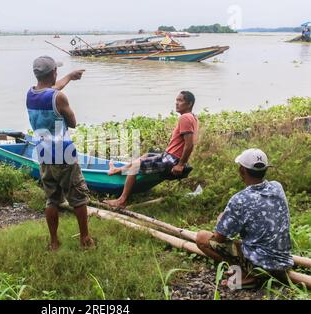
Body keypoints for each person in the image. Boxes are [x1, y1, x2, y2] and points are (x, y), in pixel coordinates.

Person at [196, 149, 294, 287]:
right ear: (265, 170)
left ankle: (247, 275)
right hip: (284, 263)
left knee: (202, 237)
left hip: (261, 266)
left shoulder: (239, 200)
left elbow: (219, 238)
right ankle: (248, 272)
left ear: (242, 170)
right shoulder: (277, 187)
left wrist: (220, 220)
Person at [26, 56, 94, 250]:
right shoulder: (59, 98)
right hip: (63, 154)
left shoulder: (30, 94)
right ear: (53, 73)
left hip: (43, 153)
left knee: (52, 199)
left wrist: (70, 77)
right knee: (78, 196)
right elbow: (72, 122)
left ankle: (54, 242)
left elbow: (51, 91)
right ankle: (85, 238)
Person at [104, 91, 199, 208]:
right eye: (176, 100)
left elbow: (189, 145)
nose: (176, 103)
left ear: (189, 104)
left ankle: (122, 200)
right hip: (168, 156)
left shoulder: (185, 118)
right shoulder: (193, 117)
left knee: (135, 167)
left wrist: (180, 164)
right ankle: (116, 170)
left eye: (180, 101)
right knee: (147, 155)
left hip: (171, 160)